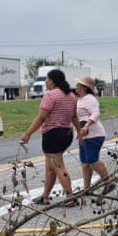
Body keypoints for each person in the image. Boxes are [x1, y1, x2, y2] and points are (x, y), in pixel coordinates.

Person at [19, 67, 77, 205]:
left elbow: (41, 118)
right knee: (50, 167)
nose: (46, 82)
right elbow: (74, 117)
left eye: (47, 79)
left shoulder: (50, 96)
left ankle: (70, 197)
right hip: (67, 133)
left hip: (53, 134)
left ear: (52, 81)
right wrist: (80, 132)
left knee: (57, 165)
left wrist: (28, 133)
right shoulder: (71, 96)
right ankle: (45, 196)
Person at [74, 76, 110, 194]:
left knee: (92, 161)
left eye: (78, 84)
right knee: (85, 164)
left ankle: (108, 182)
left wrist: (86, 126)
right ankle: (87, 189)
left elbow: (95, 113)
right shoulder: (80, 99)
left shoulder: (90, 98)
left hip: (94, 134)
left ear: (84, 87)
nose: (76, 86)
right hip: (83, 135)